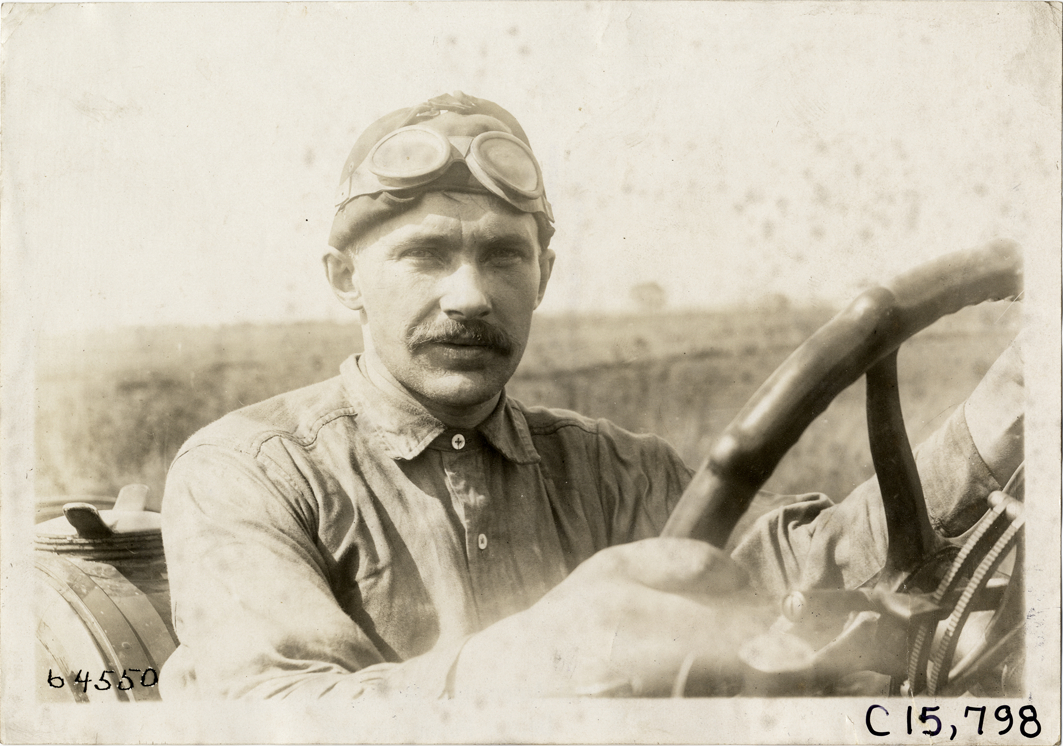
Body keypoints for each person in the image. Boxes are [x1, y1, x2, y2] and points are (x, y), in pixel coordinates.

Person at [160, 92, 1023, 700]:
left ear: (544, 277)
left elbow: (798, 567)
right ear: (345, 278)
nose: (468, 294)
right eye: (425, 254)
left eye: (503, 256)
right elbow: (267, 712)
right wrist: (531, 665)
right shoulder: (248, 473)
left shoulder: (617, 468)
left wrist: (996, 418)